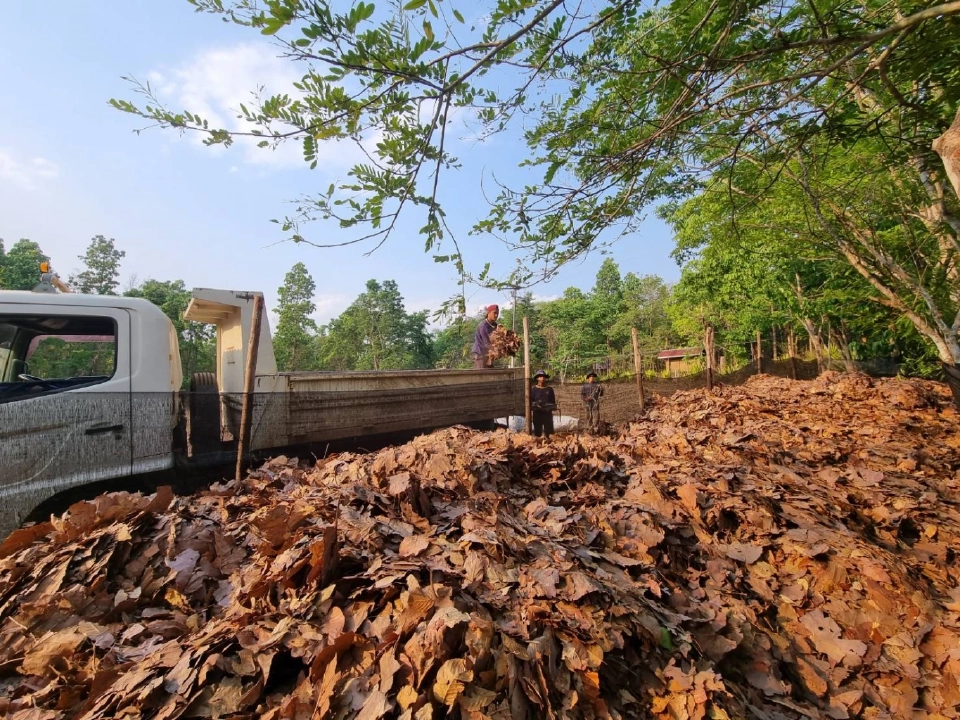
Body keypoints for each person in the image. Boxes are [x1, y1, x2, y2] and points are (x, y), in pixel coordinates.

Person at [530, 369, 557, 438]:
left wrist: (550, 407)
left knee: (549, 433)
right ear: (537, 378)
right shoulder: (533, 389)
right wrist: (536, 404)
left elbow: (552, 402)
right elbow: (530, 402)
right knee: (537, 433)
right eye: (540, 377)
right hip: (537, 413)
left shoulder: (549, 389)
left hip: (547, 414)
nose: (542, 378)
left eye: (543, 377)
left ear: (545, 378)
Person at [472, 304, 499, 369]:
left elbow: (498, 339)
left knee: (491, 373)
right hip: (480, 354)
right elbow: (486, 343)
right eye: (494, 313)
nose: (496, 315)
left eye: (497, 313)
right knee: (482, 374)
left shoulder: (495, 325)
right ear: (488, 313)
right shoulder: (483, 326)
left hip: (488, 354)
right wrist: (498, 350)